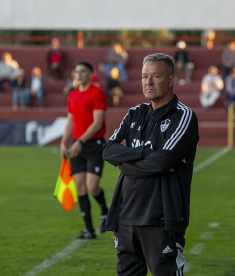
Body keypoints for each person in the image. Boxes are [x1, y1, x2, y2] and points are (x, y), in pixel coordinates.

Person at [103, 53, 199, 276]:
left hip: (161, 219)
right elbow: (108, 151)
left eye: (156, 76)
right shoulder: (135, 113)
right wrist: (145, 153)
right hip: (126, 216)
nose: (148, 82)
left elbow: (162, 162)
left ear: (172, 79)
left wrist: (125, 162)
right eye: (145, 76)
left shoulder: (183, 116)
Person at [60, 62, 109, 239]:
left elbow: (97, 123)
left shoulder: (98, 93)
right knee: (80, 186)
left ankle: (105, 210)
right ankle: (89, 230)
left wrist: (80, 141)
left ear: (91, 74)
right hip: (76, 145)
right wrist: (63, 143)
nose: (79, 75)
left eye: (82, 72)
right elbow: (70, 122)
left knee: (92, 186)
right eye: (76, 72)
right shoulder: (72, 95)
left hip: (93, 144)